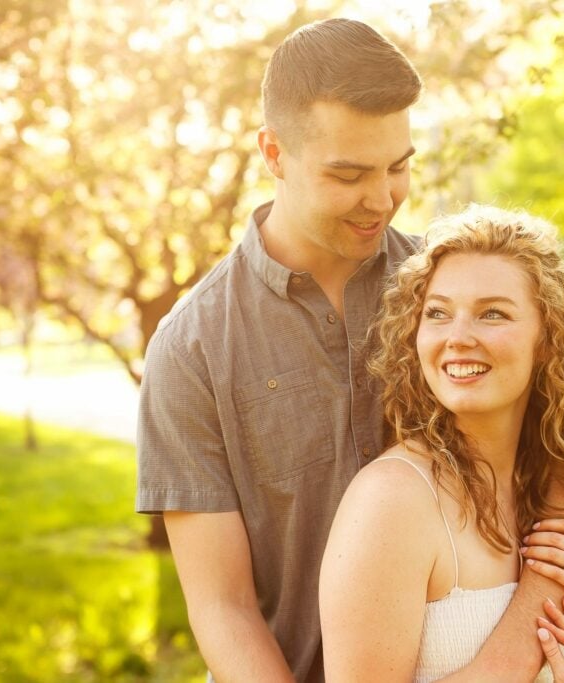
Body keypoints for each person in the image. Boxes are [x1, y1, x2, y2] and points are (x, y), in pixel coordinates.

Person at [137, 18, 423, 683]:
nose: (382, 199)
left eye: (399, 167)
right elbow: (224, 607)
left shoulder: (448, 292)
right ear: (274, 153)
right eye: (348, 174)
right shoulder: (191, 349)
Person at [320, 205, 564, 682]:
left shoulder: (559, 486)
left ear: (548, 339)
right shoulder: (393, 499)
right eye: (438, 313)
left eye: (492, 314)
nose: (458, 337)